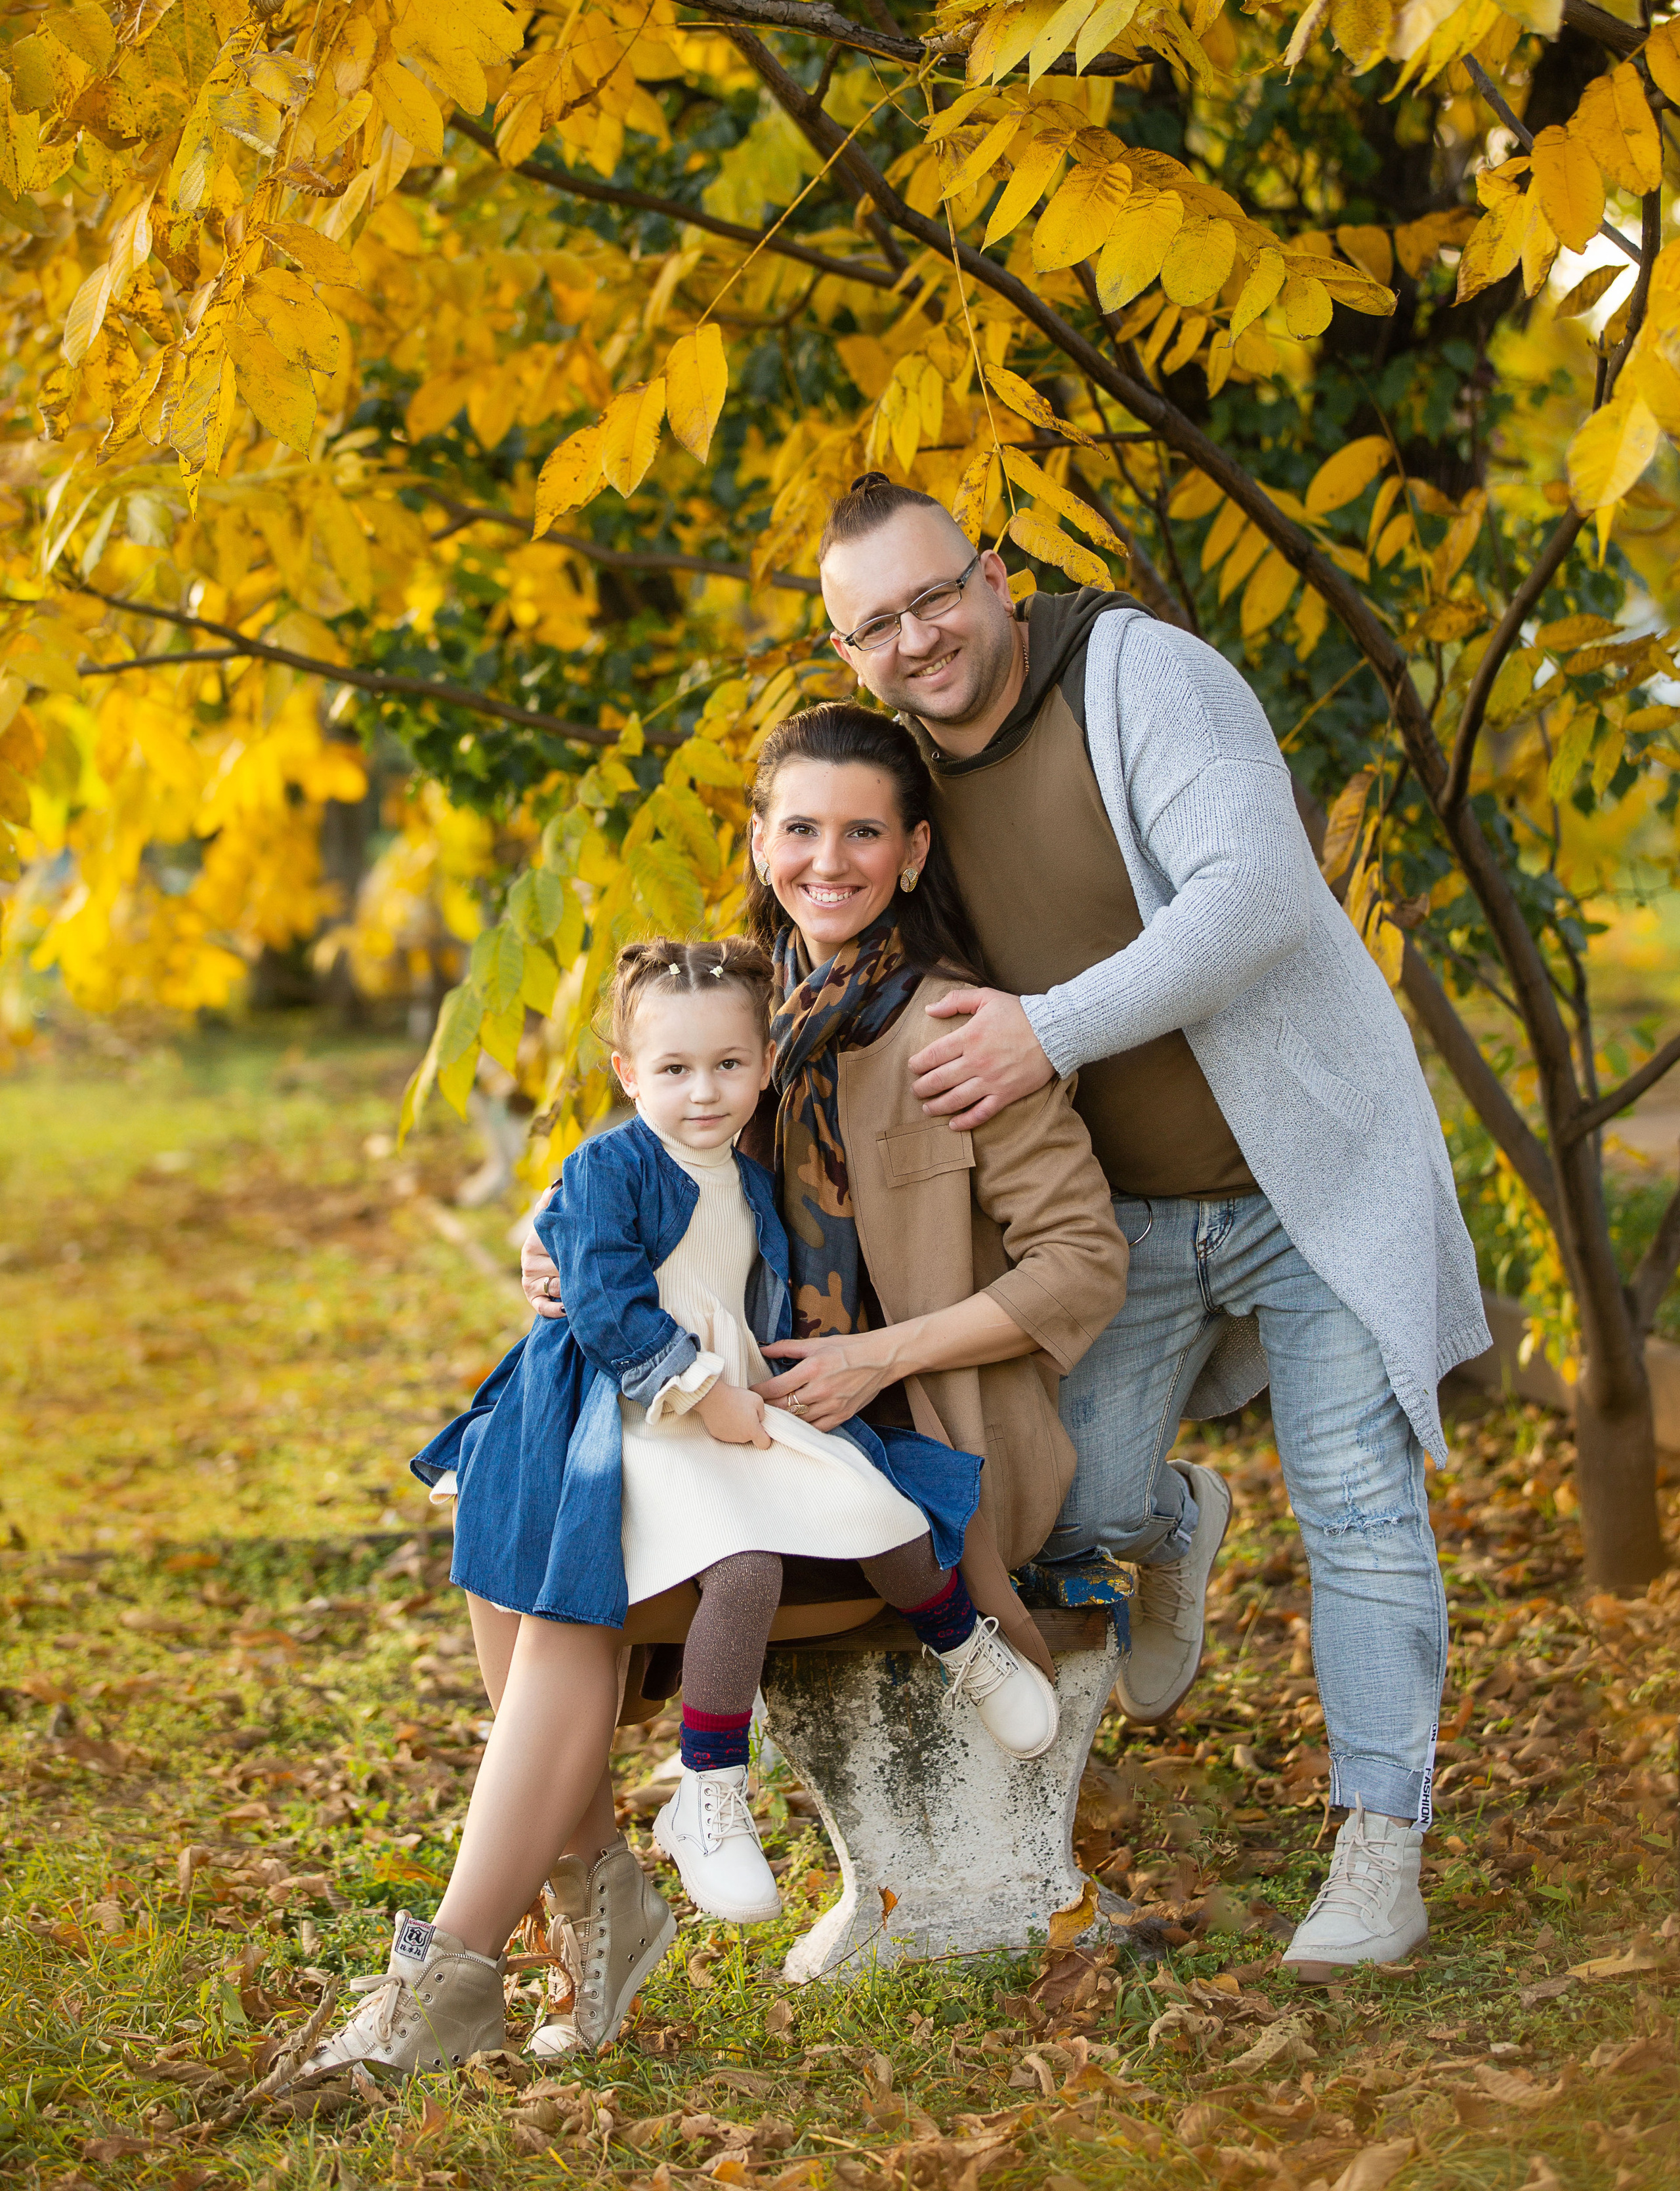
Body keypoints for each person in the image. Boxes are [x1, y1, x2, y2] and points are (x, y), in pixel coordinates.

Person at [788, 469, 1488, 1980]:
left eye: (932, 596)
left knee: (1359, 1512)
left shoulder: (1138, 674)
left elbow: (1251, 900)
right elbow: (810, 937)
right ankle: (1173, 1521)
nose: (915, 641)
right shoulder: (898, 778)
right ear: (845, 654)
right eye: (873, 629)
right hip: (1129, 1216)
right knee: (1063, 1507)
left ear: (990, 570)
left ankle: (1378, 1847)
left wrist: (1046, 1029)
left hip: (1315, 1175)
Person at [299, 923, 1072, 2082]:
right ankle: (531, 1939)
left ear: (761, 1064)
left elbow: (731, 1248)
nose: (703, 1089)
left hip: (729, 1411)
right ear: (629, 1071)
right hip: (614, 1407)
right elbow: (602, 1216)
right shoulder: (667, 1110)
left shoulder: (833, 1093)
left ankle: (498, 1956)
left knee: (590, 1598)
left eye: (726, 1068)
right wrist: (558, 1237)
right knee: (529, 1564)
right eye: (673, 1070)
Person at [517, 703, 1130, 2030]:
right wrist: (547, 1240)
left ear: (912, 855)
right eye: (801, 828)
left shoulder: (960, 1032)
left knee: (562, 1578)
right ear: (760, 839)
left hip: (909, 1440)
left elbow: (1081, 1262)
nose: (829, 859)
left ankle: (571, 1910)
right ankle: (597, 1898)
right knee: (517, 1552)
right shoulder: (745, 1012)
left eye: (864, 832)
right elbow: (632, 1161)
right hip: (741, 1421)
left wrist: (876, 1355)